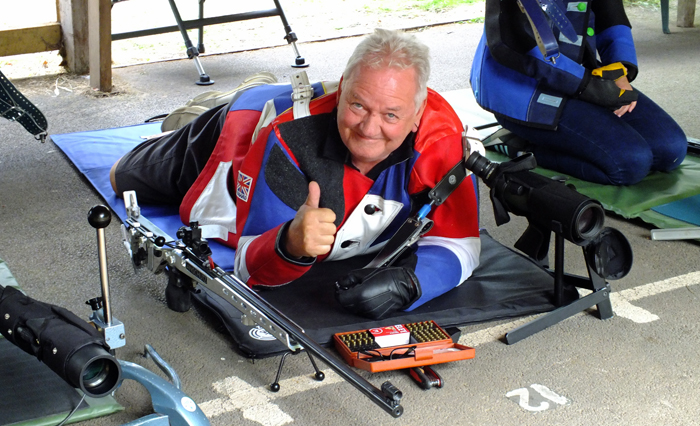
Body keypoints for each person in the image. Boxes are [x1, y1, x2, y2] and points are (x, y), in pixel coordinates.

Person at [110, 28, 481, 319]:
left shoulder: (444, 139)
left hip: (290, 115)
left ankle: (255, 90)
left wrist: (412, 283)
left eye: (391, 115)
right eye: (357, 105)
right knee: (121, 177)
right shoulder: (288, 140)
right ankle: (218, 104)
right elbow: (247, 265)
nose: (370, 129)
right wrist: (288, 244)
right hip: (241, 129)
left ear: (417, 115)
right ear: (341, 93)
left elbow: (461, 243)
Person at [470, 0, 687, 186]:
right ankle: (520, 146)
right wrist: (591, 87)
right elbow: (521, 45)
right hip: (522, 86)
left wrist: (619, 70)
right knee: (630, 164)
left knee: (670, 149)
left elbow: (610, 14)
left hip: (580, 71)